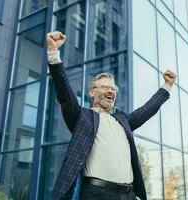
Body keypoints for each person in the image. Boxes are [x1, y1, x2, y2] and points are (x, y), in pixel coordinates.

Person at [46, 31, 177, 200]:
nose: (110, 91)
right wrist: (53, 54)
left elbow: (147, 110)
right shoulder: (81, 117)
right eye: (105, 87)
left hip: (129, 194)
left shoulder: (123, 120)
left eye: (113, 89)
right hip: (98, 194)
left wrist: (167, 85)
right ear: (92, 92)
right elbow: (64, 90)